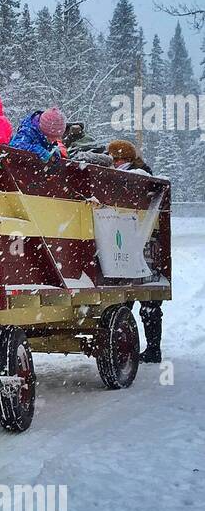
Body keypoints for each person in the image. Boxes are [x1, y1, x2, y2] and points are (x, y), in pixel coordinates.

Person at [107, 140, 163, 362]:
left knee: (147, 303)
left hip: (140, 243)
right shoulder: (138, 174)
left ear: (121, 159)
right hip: (131, 243)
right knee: (130, 302)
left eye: (113, 158)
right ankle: (138, 348)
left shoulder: (138, 176)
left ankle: (152, 350)